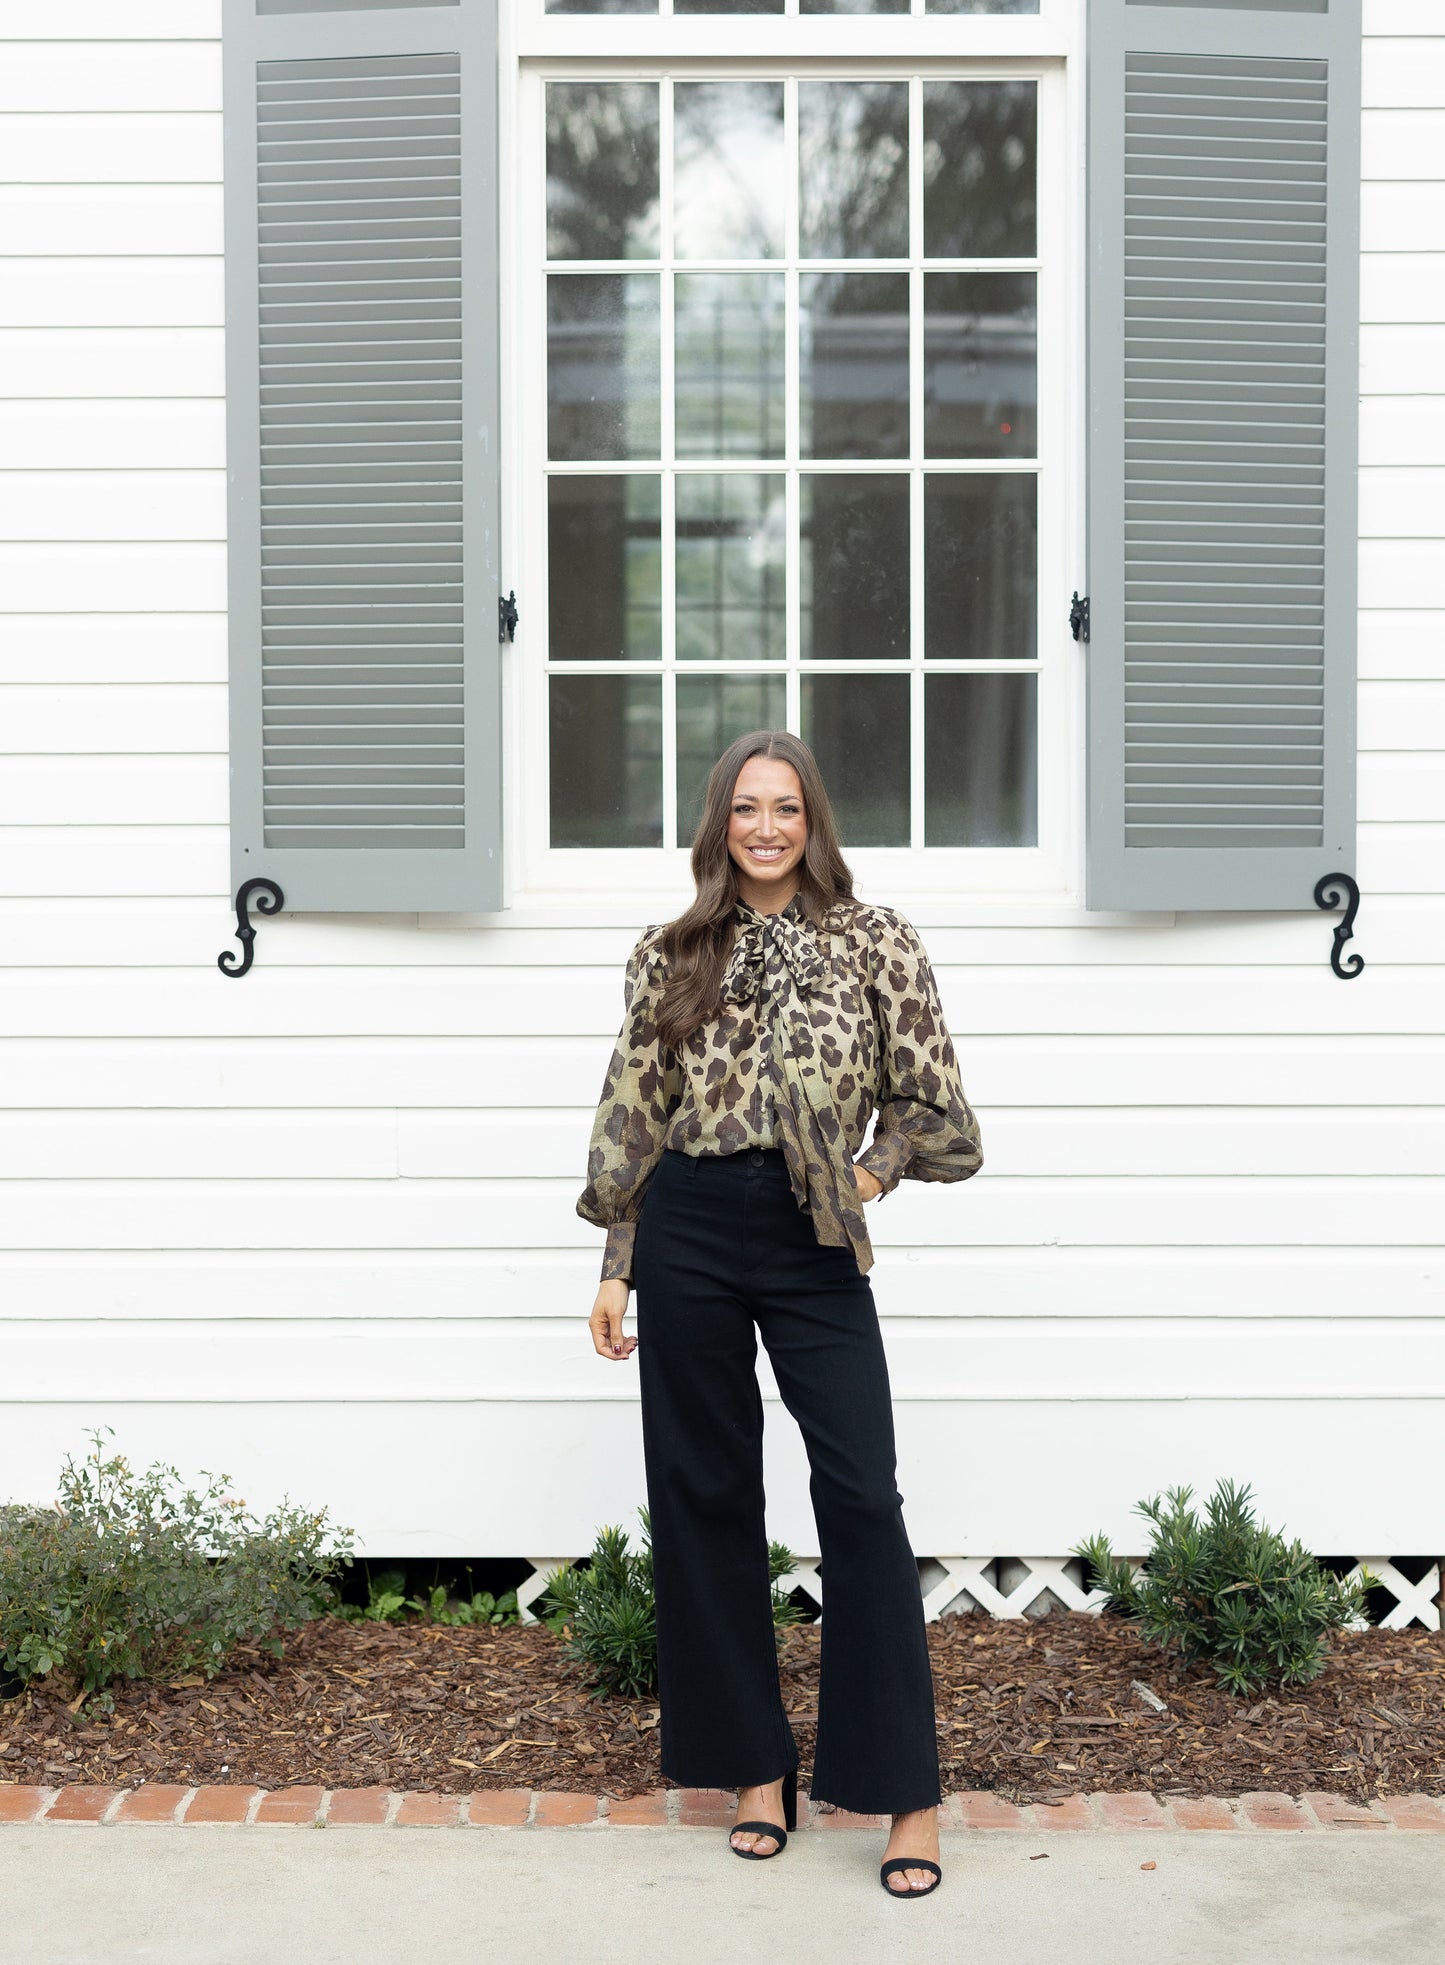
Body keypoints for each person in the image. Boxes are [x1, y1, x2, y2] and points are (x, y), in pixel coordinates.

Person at [576, 730, 983, 1899]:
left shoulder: (872, 940)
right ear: (719, 823)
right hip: (689, 1227)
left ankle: (905, 1795)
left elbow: (932, 1101)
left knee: (860, 1496)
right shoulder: (670, 953)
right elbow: (635, 1112)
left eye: (786, 809)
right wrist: (619, 1261)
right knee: (704, 1496)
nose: (764, 828)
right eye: (745, 808)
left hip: (809, 1235)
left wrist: (867, 1172)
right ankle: (756, 1774)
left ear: (813, 824)